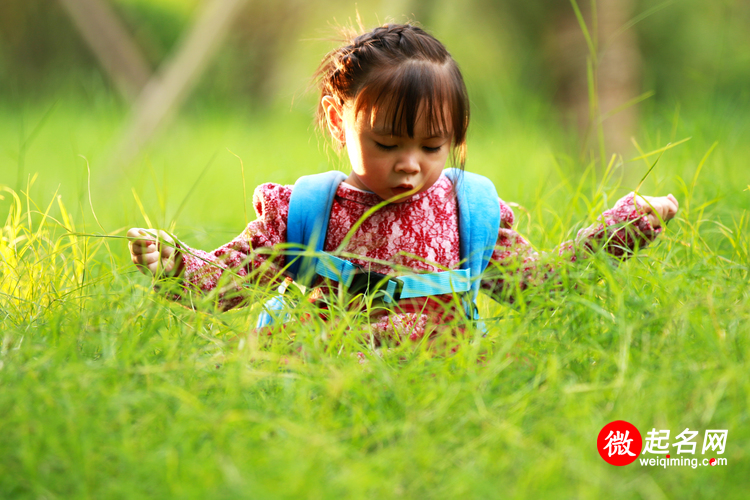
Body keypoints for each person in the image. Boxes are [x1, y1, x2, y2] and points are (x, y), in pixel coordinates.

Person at [127, 23, 678, 342]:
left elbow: (545, 286)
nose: (409, 164)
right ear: (336, 117)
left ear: (456, 135)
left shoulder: (469, 215)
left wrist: (627, 225)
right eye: (386, 145)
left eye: (432, 147)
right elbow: (228, 283)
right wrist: (175, 262)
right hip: (325, 388)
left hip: (443, 394)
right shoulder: (312, 211)